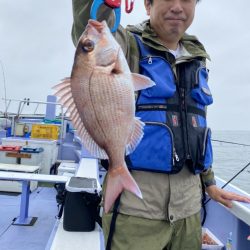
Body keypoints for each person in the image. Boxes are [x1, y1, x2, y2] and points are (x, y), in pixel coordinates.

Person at [71, 0, 250, 249]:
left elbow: (196, 127)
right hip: (136, 212)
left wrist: (209, 183)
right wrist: (104, 5)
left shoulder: (196, 57)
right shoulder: (125, 44)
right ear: (147, 5)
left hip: (189, 213)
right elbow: (90, 25)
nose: (177, 7)